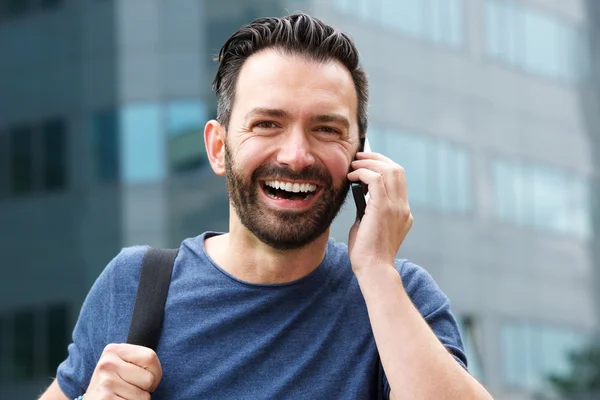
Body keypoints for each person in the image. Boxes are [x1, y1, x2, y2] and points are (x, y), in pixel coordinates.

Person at [40, 12, 493, 400]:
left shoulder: (399, 295)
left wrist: (376, 270)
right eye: (267, 123)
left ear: (361, 155)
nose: (296, 155)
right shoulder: (134, 284)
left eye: (327, 129)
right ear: (218, 148)